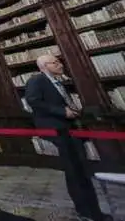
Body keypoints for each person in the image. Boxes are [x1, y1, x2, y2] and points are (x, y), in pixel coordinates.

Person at [25, 55, 110, 221]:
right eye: (55, 62)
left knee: (81, 170)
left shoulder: (59, 82)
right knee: (74, 171)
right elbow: (33, 101)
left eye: (60, 61)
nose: (60, 65)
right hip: (57, 131)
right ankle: (88, 211)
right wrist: (62, 111)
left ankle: (91, 210)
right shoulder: (37, 80)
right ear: (43, 66)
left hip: (70, 130)